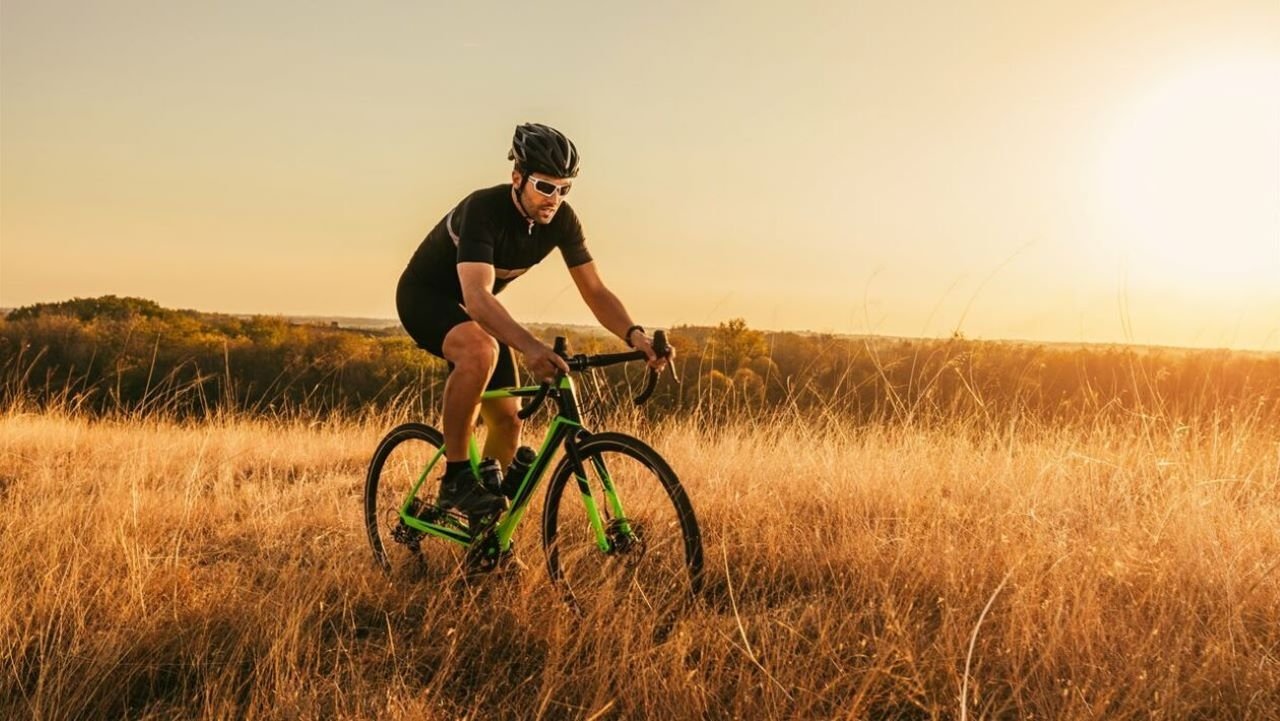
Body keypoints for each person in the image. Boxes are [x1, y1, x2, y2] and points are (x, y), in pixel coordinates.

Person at [396, 123, 668, 517]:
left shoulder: (562, 221)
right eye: (544, 186)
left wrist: (634, 335)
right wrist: (531, 348)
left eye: (564, 189)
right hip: (425, 298)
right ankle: (455, 478)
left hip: (477, 313)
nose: (554, 198)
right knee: (479, 348)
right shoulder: (483, 210)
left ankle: (486, 531)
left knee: (508, 422)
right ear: (517, 178)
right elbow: (476, 297)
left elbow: (595, 290)